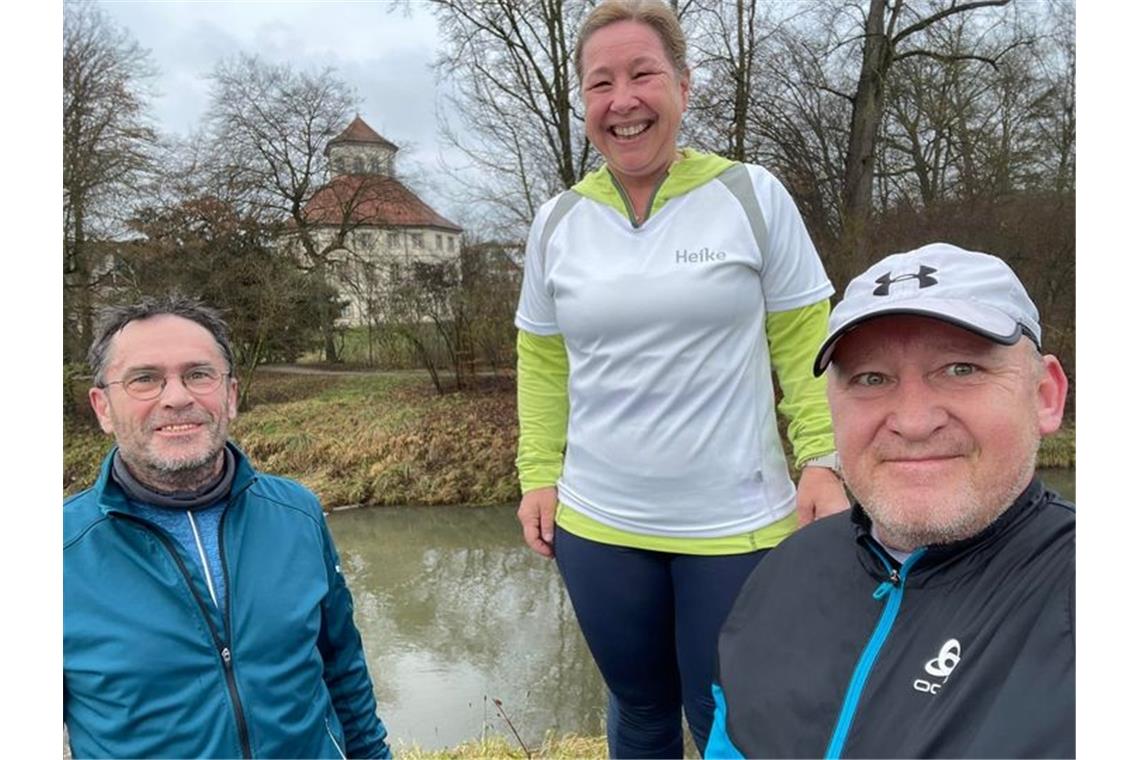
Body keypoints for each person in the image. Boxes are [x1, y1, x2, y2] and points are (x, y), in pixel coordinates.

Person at [513, 1, 848, 755]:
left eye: (643, 74)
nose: (622, 100)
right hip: (598, 525)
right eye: (600, 83)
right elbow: (541, 357)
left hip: (737, 524)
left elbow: (806, 342)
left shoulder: (752, 197)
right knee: (639, 710)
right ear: (584, 103)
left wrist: (825, 459)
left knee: (726, 716)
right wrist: (538, 472)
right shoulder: (557, 222)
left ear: (685, 86)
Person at [706, 242, 1074, 758]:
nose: (914, 421)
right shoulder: (786, 570)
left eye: (961, 369)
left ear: (1045, 396)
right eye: (872, 379)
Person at [64, 296, 392, 759]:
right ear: (102, 407)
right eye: (144, 379)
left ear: (231, 395)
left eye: (199, 374)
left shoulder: (297, 513)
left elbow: (343, 671)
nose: (177, 397)